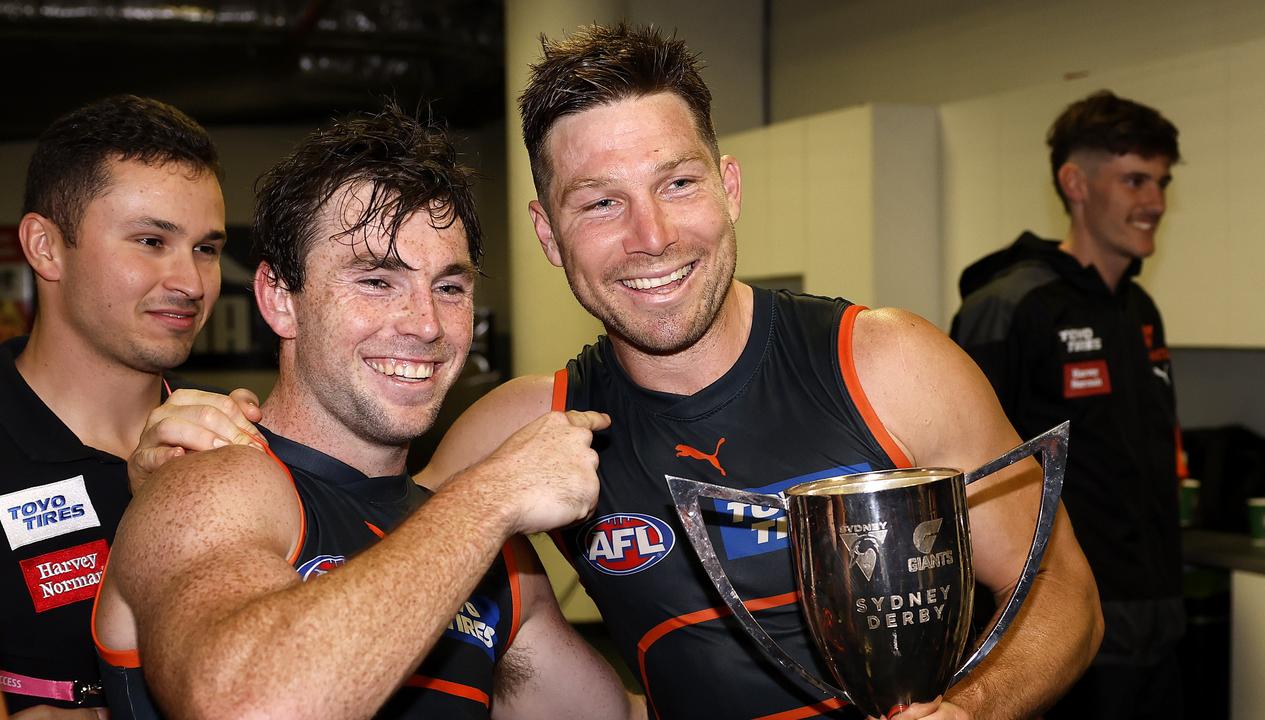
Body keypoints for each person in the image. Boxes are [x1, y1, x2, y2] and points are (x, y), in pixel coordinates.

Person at [417, 23, 1103, 720]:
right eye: (600, 202)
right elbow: (348, 566)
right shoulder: (526, 429)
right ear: (548, 237)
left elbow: (1060, 585)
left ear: (729, 187)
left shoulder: (888, 365)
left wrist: (973, 711)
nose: (651, 237)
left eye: (678, 183)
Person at [91, 105, 644, 720]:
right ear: (279, 299)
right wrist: (490, 497)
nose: (426, 324)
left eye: (449, 287)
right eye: (377, 281)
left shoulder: (492, 557)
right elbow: (248, 706)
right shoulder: (211, 483)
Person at [0, 95, 262, 718]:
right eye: (151, 240)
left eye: (205, 248)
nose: (193, 283)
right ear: (45, 247)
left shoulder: (236, 448)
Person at [950, 91, 1184, 719]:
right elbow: (971, 484)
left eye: (1160, 182)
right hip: (1063, 631)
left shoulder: (1140, 311)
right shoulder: (1010, 307)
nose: (1155, 201)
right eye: (1135, 180)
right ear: (1074, 182)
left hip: (1157, 624)